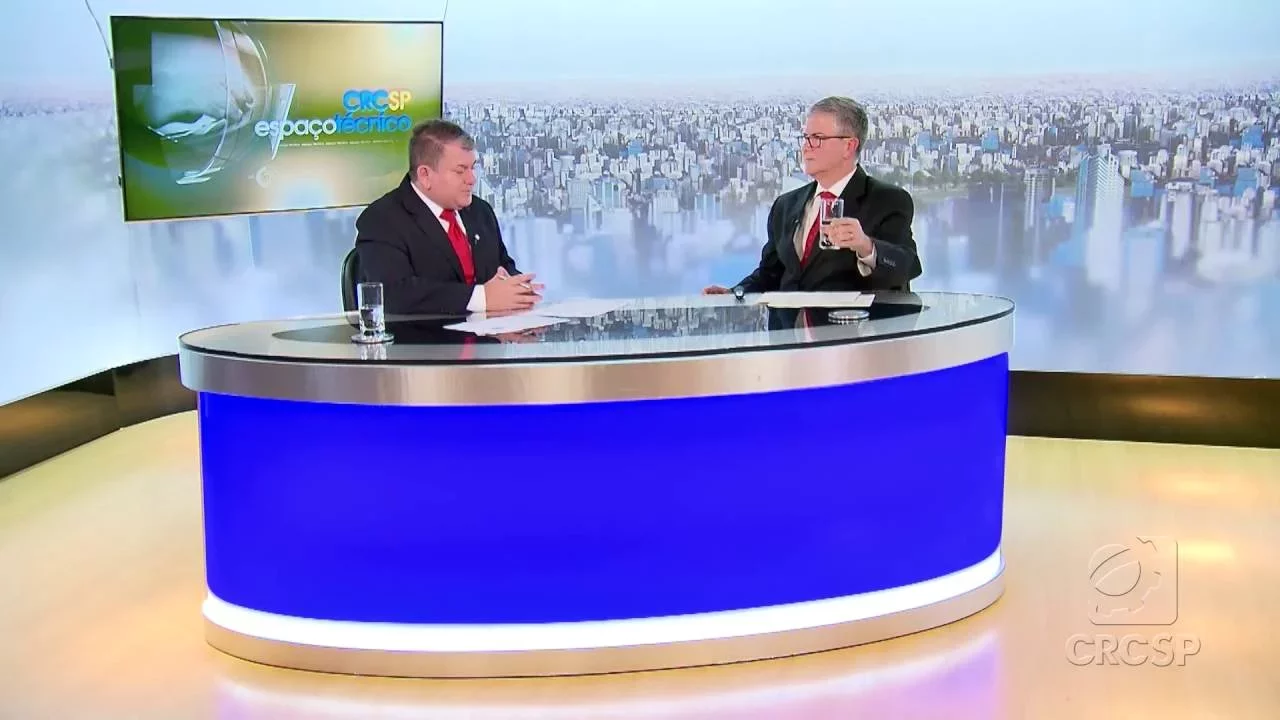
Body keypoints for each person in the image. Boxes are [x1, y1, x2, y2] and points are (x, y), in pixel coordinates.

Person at [704, 96, 920, 296]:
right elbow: (770, 275)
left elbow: (907, 267)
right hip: (788, 325)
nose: (806, 148)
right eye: (806, 138)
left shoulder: (887, 200)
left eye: (817, 138)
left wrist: (866, 246)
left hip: (853, 324)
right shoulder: (786, 205)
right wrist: (735, 293)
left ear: (849, 146)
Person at [354, 120, 542, 315]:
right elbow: (394, 293)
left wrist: (519, 290)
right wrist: (481, 298)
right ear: (425, 175)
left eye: (473, 168)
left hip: (491, 333)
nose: (471, 179)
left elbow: (503, 267)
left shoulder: (481, 211)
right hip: (423, 333)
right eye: (460, 171)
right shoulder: (382, 220)